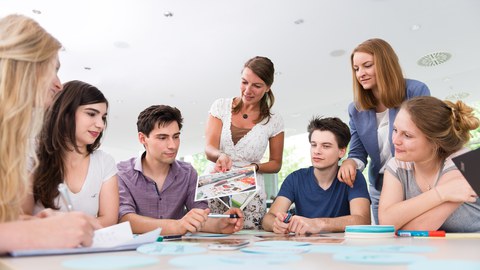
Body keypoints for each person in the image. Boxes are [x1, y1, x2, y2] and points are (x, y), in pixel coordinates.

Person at [0, 14, 99, 253]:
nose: (59, 84)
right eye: (53, 69)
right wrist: (31, 232)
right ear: (23, 66)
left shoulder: (13, 147)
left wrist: (34, 223)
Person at [337, 38, 431, 224]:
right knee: (388, 239)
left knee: (419, 238)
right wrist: (349, 162)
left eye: (367, 66)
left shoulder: (415, 91)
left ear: (385, 64)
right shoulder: (355, 109)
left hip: (415, 182)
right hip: (381, 187)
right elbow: (357, 152)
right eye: (356, 69)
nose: (360, 73)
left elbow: (428, 137)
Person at [117, 105, 243, 234]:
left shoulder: (188, 173)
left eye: (176, 136)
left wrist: (219, 224)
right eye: (162, 138)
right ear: (143, 139)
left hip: (177, 251)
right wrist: (176, 226)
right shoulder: (122, 173)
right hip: (135, 251)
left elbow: (200, 215)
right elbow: (124, 219)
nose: (172, 145)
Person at [24, 80, 119, 228]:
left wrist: (71, 224)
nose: (100, 124)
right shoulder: (30, 152)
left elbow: (109, 220)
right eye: (91, 113)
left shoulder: (104, 162)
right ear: (65, 112)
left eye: (103, 117)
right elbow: (21, 217)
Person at [205, 56, 284, 229]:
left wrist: (254, 167)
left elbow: (276, 163)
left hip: (249, 192)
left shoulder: (274, 120)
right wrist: (220, 155)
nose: (248, 90)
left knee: (248, 240)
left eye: (257, 86)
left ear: (268, 87)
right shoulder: (220, 107)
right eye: (244, 82)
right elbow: (209, 148)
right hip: (216, 185)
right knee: (213, 237)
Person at [379, 96, 480, 232]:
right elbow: (386, 223)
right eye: (395, 130)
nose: (395, 140)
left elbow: (418, 228)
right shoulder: (397, 165)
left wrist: (399, 221)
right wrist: (441, 193)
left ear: (435, 142)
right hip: (439, 249)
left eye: (407, 135)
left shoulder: (465, 160)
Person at [262, 117, 371, 234]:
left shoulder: (352, 177)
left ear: (341, 152)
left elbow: (363, 220)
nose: (317, 151)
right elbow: (268, 218)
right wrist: (276, 224)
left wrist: (317, 224)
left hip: (341, 249)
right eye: (314, 145)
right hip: (304, 248)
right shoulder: (295, 179)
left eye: (326, 146)